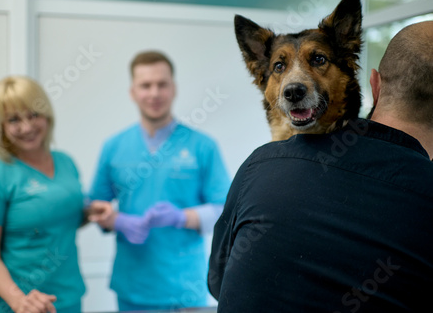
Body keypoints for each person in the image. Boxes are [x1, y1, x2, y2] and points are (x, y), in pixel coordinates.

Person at [208, 20, 433, 312]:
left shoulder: (256, 168)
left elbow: (218, 282)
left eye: (318, 61)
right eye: (279, 66)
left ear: (373, 85)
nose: (293, 84)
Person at [87, 50, 231, 311]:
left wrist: (181, 217)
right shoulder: (114, 147)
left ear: (173, 88)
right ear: (133, 91)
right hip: (133, 287)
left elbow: (225, 210)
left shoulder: (202, 146)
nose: (154, 93)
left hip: (186, 288)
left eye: (161, 84)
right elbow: (93, 205)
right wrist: (116, 220)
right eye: (145, 85)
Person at [0, 76, 86, 313]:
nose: (26, 127)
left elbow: (61, 220)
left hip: (68, 296)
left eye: (33, 114)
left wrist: (90, 212)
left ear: (47, 114)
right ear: (1, 126)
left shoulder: (66, 163)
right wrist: (19, 300)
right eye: (13, 119)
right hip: (20, 304)